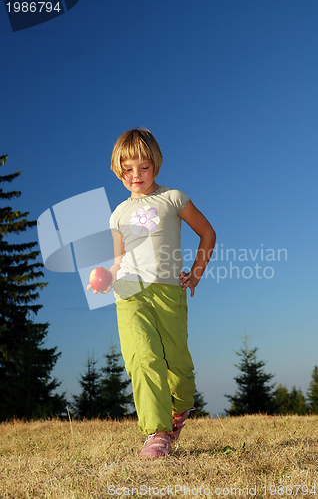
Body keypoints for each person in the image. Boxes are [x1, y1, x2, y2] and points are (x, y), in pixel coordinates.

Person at [87, 128, 216, 458]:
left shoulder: (173, 198)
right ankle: (157, 434)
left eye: (143, 167)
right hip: (129, 293)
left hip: (168, 293)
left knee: (178, 368)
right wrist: (105, 277)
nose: (136, 175)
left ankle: (180, 409)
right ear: (119, 170)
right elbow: (118, 262)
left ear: (155, 165)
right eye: (128, 169)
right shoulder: (117, 214)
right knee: (143, 358)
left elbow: (207, 233)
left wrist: (196, 273)